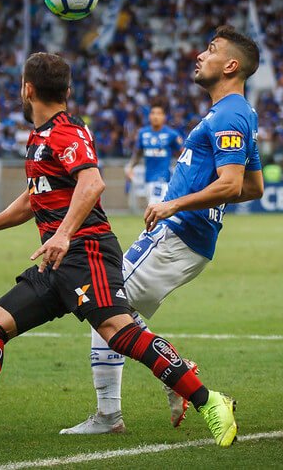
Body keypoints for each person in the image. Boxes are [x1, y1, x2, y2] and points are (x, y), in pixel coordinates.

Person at [0, 52, 238, 447]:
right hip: (57, 262)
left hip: (87, 252)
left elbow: (92, 184)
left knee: (119, 332)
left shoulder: (66, 132)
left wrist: (61, 233)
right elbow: (34, 197)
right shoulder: (41, 136)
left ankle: (208, 400)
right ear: (67, 89)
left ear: (27, 89)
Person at [61, 25, 264, 435]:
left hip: (175, 234)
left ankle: (114, 414)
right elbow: (253, 187)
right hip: (186, 238)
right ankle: (174, 377)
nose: (199, 55)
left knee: (106, 311)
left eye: (210, 50)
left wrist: (174, 204)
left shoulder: (230, 113)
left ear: (230, 65)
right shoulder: (236, 113)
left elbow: (230, 183)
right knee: (120, 318)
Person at [125, 101, 184, 205]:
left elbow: (183, 154)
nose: (155, 116)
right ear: (149, 116)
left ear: (164, 117)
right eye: (153, 113)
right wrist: (130, 167)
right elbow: (138, 154)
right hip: (148, 179)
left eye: (159, 113)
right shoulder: (143, 133)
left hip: (163, 179)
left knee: (155, 209)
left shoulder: (172, 134)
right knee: (154, 210)